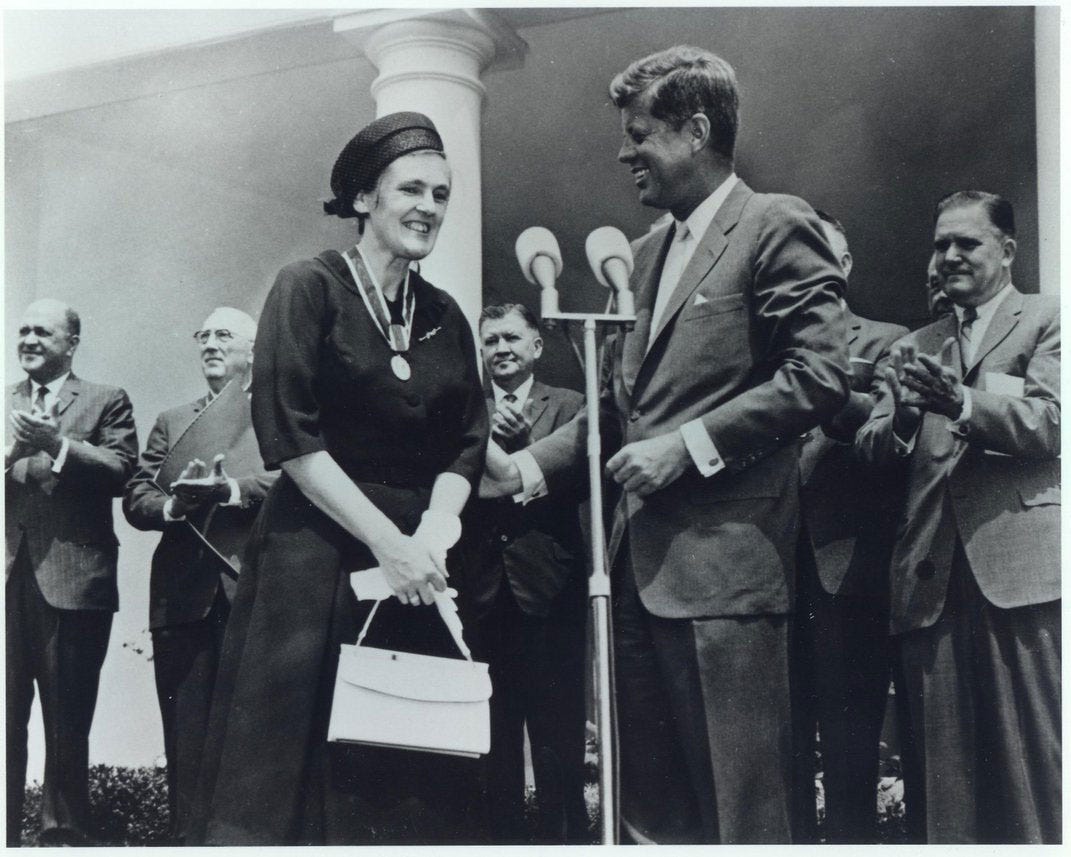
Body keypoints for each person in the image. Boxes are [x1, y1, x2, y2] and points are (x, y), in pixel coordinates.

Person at [485, 46, 849, 843]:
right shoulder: (644, 255)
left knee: (741, 808)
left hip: (726, 578)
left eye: (638, 133)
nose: (623, 153)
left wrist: (688, 446)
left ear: (694, 129)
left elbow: (819, 376)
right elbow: (617, 411)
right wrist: (519, 470)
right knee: (647, 811)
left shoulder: (774, 224)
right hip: (631, 573)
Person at [189, 112, 489, 845]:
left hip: (420, 566)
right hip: (313, 559)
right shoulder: (307, 288)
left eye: (441, 194)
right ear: (363, 198)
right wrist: (390, 543)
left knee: (408, 768)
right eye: (410, 188)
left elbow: (468, 441)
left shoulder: (446, 316)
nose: (428, 207)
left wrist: (433, 536)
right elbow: (290, 436)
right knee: (292, 774)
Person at [856, 191, 1060, 843]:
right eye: (939, 243)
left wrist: (963, 401)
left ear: (1005, 250)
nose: (947, 255)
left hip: (1015, 573)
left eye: (965, 242)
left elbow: (1052, 422)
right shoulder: (914, 345)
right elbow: (870, 451)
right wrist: (909, 415)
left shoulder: (1047, 320)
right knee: (945, 787)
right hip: (929, 581)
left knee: (1036, 770)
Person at [122, 307, 276, 843]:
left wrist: (232, 491)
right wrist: (174, 507)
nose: (210, 343)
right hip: (182, 601)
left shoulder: (275, 415)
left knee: (254, 743)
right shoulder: (172, 420)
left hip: (253, 593)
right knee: (186, 741)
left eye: (224, 335)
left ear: (254, 351)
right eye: (203, 335)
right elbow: (138, 495)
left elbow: (290, 482)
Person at [5, 299, 139, 846]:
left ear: (71, 342)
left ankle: (62, 837)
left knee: (66, 721)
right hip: (8, 577)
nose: (29, 339)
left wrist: (57, 445)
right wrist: (15, 446)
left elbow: (120, 470)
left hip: (72, 583)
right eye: (23, 330)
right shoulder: (4, 401)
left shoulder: (106, 399)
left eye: (43, 331)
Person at [795, 211, 909, 842]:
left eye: (826, 256)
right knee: (775, 750)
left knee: (848, 756)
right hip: (768, 567)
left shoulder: (889, 339)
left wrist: (821, 388)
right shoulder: (765, 345)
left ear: (845, 266)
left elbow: (887, 436)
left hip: (848, 573)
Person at [465, 303, 588, 843]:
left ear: (537, 346)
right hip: (483, 590)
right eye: (490, 341)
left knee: (557, 732)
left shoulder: (571, 405)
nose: (501, 350)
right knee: (492, 735)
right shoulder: (468, 413)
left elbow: (577, 477)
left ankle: (566, 842)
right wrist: (483, 437)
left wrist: (514, 451)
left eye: (512, 338)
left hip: (549, 588)